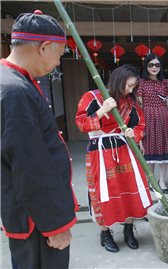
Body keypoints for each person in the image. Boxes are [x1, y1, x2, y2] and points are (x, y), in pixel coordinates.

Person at [1, 10, 78, 268]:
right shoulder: (14, 91)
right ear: (44, 47)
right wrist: (55, 224)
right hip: (37, 219)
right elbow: (30, 165)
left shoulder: (14, 81)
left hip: (29, 209)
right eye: (58, 55)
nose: (57, 63)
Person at [75, 64, 152, 253]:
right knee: (103, 192)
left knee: (129, 188)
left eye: (133, 87)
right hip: (99, 151)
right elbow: (81, 123)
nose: (130, 90)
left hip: (125, 150)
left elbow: (140, 124)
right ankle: (105, 233)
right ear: (119, 80)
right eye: (129, 85)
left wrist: (133, 133)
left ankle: (128, 229)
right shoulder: (91, 97)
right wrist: (102, 110)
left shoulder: (131, 102)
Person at [136, 54, 168, 194]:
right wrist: (140, 123)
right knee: (150, 151)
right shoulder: (141, 82)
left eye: (157, 65)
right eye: (151, 65)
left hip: (164, 118)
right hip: (148, 118)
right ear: (146, 66)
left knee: (164, 151)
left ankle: (162, 181)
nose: (154, 68)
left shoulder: (165, 82)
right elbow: (139, 104)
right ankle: (152, 181)